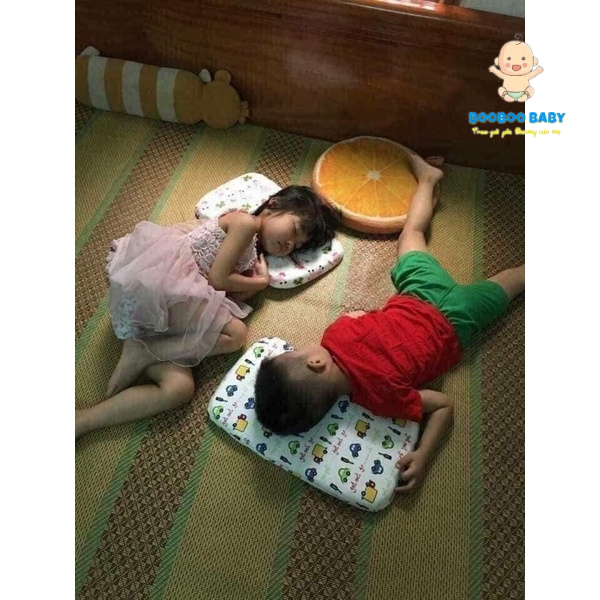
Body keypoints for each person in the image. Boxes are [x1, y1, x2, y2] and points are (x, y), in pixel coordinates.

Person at [254, 154, 524, 493]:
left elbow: (443, 406)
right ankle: (428, 179)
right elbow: (361, 316)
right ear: (317, 361)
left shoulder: (381, 401)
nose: (300, 347)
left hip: (460, 318)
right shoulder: (336, 335)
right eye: (294, 351)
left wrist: (423, 453)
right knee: (412, 232)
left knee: (514, 280)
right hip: (420, 292)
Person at [75, 185, 341, 439]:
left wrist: (250, 282)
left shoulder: (251, 252)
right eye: (294, 229)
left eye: (296, 246)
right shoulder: (244, 223)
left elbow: (223, 299)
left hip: (163, 316)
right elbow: (218, 280)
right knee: (236, 335)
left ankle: (83, 421)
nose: (289, 244)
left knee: (179, 391)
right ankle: (143, 351)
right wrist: (261, 282)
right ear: (274, 203)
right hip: (162, 292)